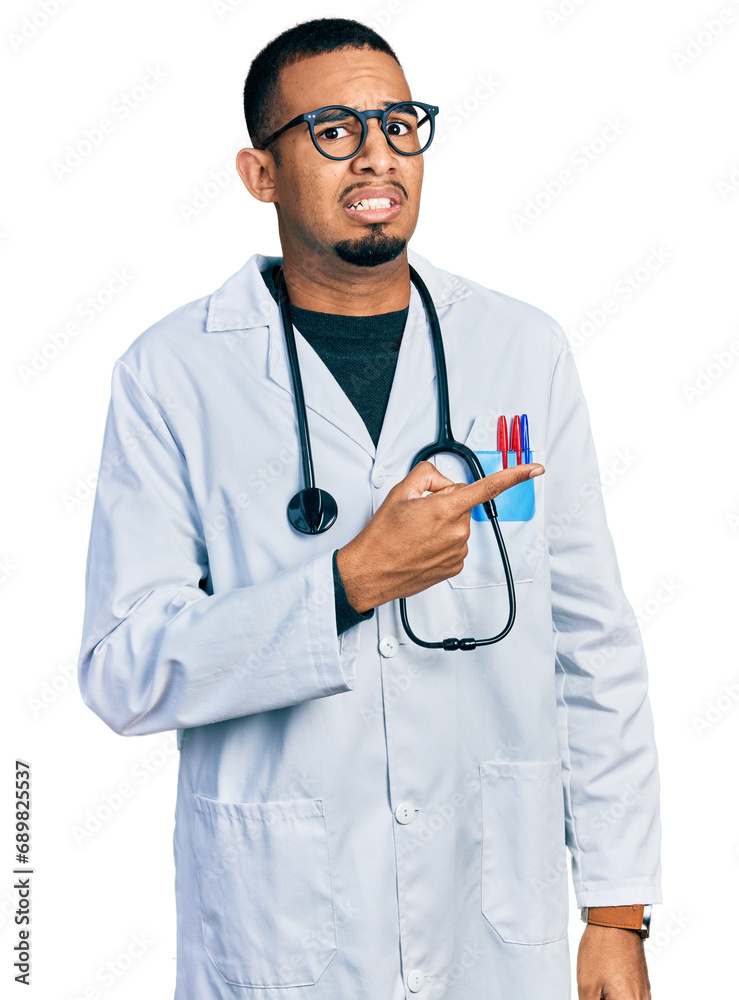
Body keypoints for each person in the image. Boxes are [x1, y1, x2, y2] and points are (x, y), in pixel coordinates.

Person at [76, 17, 661, 1000]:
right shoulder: (172, 373)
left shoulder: (519, 349)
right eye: (334, 130)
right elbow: (123, 671)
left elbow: (592, 643)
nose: (377, 154)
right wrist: (345, 585)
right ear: (260, 173)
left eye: (397, 123)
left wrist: (615, 912)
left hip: (489, 921)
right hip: (279, 933)